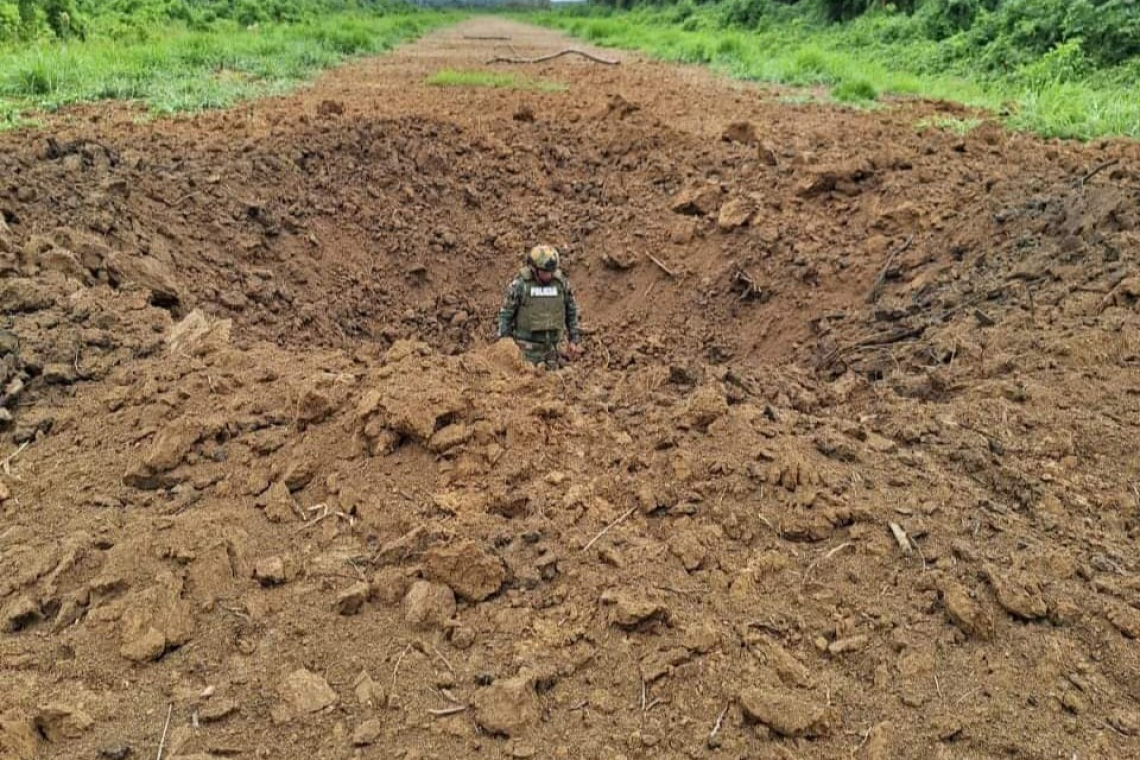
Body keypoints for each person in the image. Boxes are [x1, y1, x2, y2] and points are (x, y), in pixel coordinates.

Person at [496, 245, 581, 368]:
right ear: (533, 268)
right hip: (526, 355)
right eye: (544, 272)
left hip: (553, 353)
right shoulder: (520, 286)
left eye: (551, 272)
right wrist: (505, 345)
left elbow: (571, 310)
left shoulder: (561, 283)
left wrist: (574, 339)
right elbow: (505, 315)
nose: (548, 276)